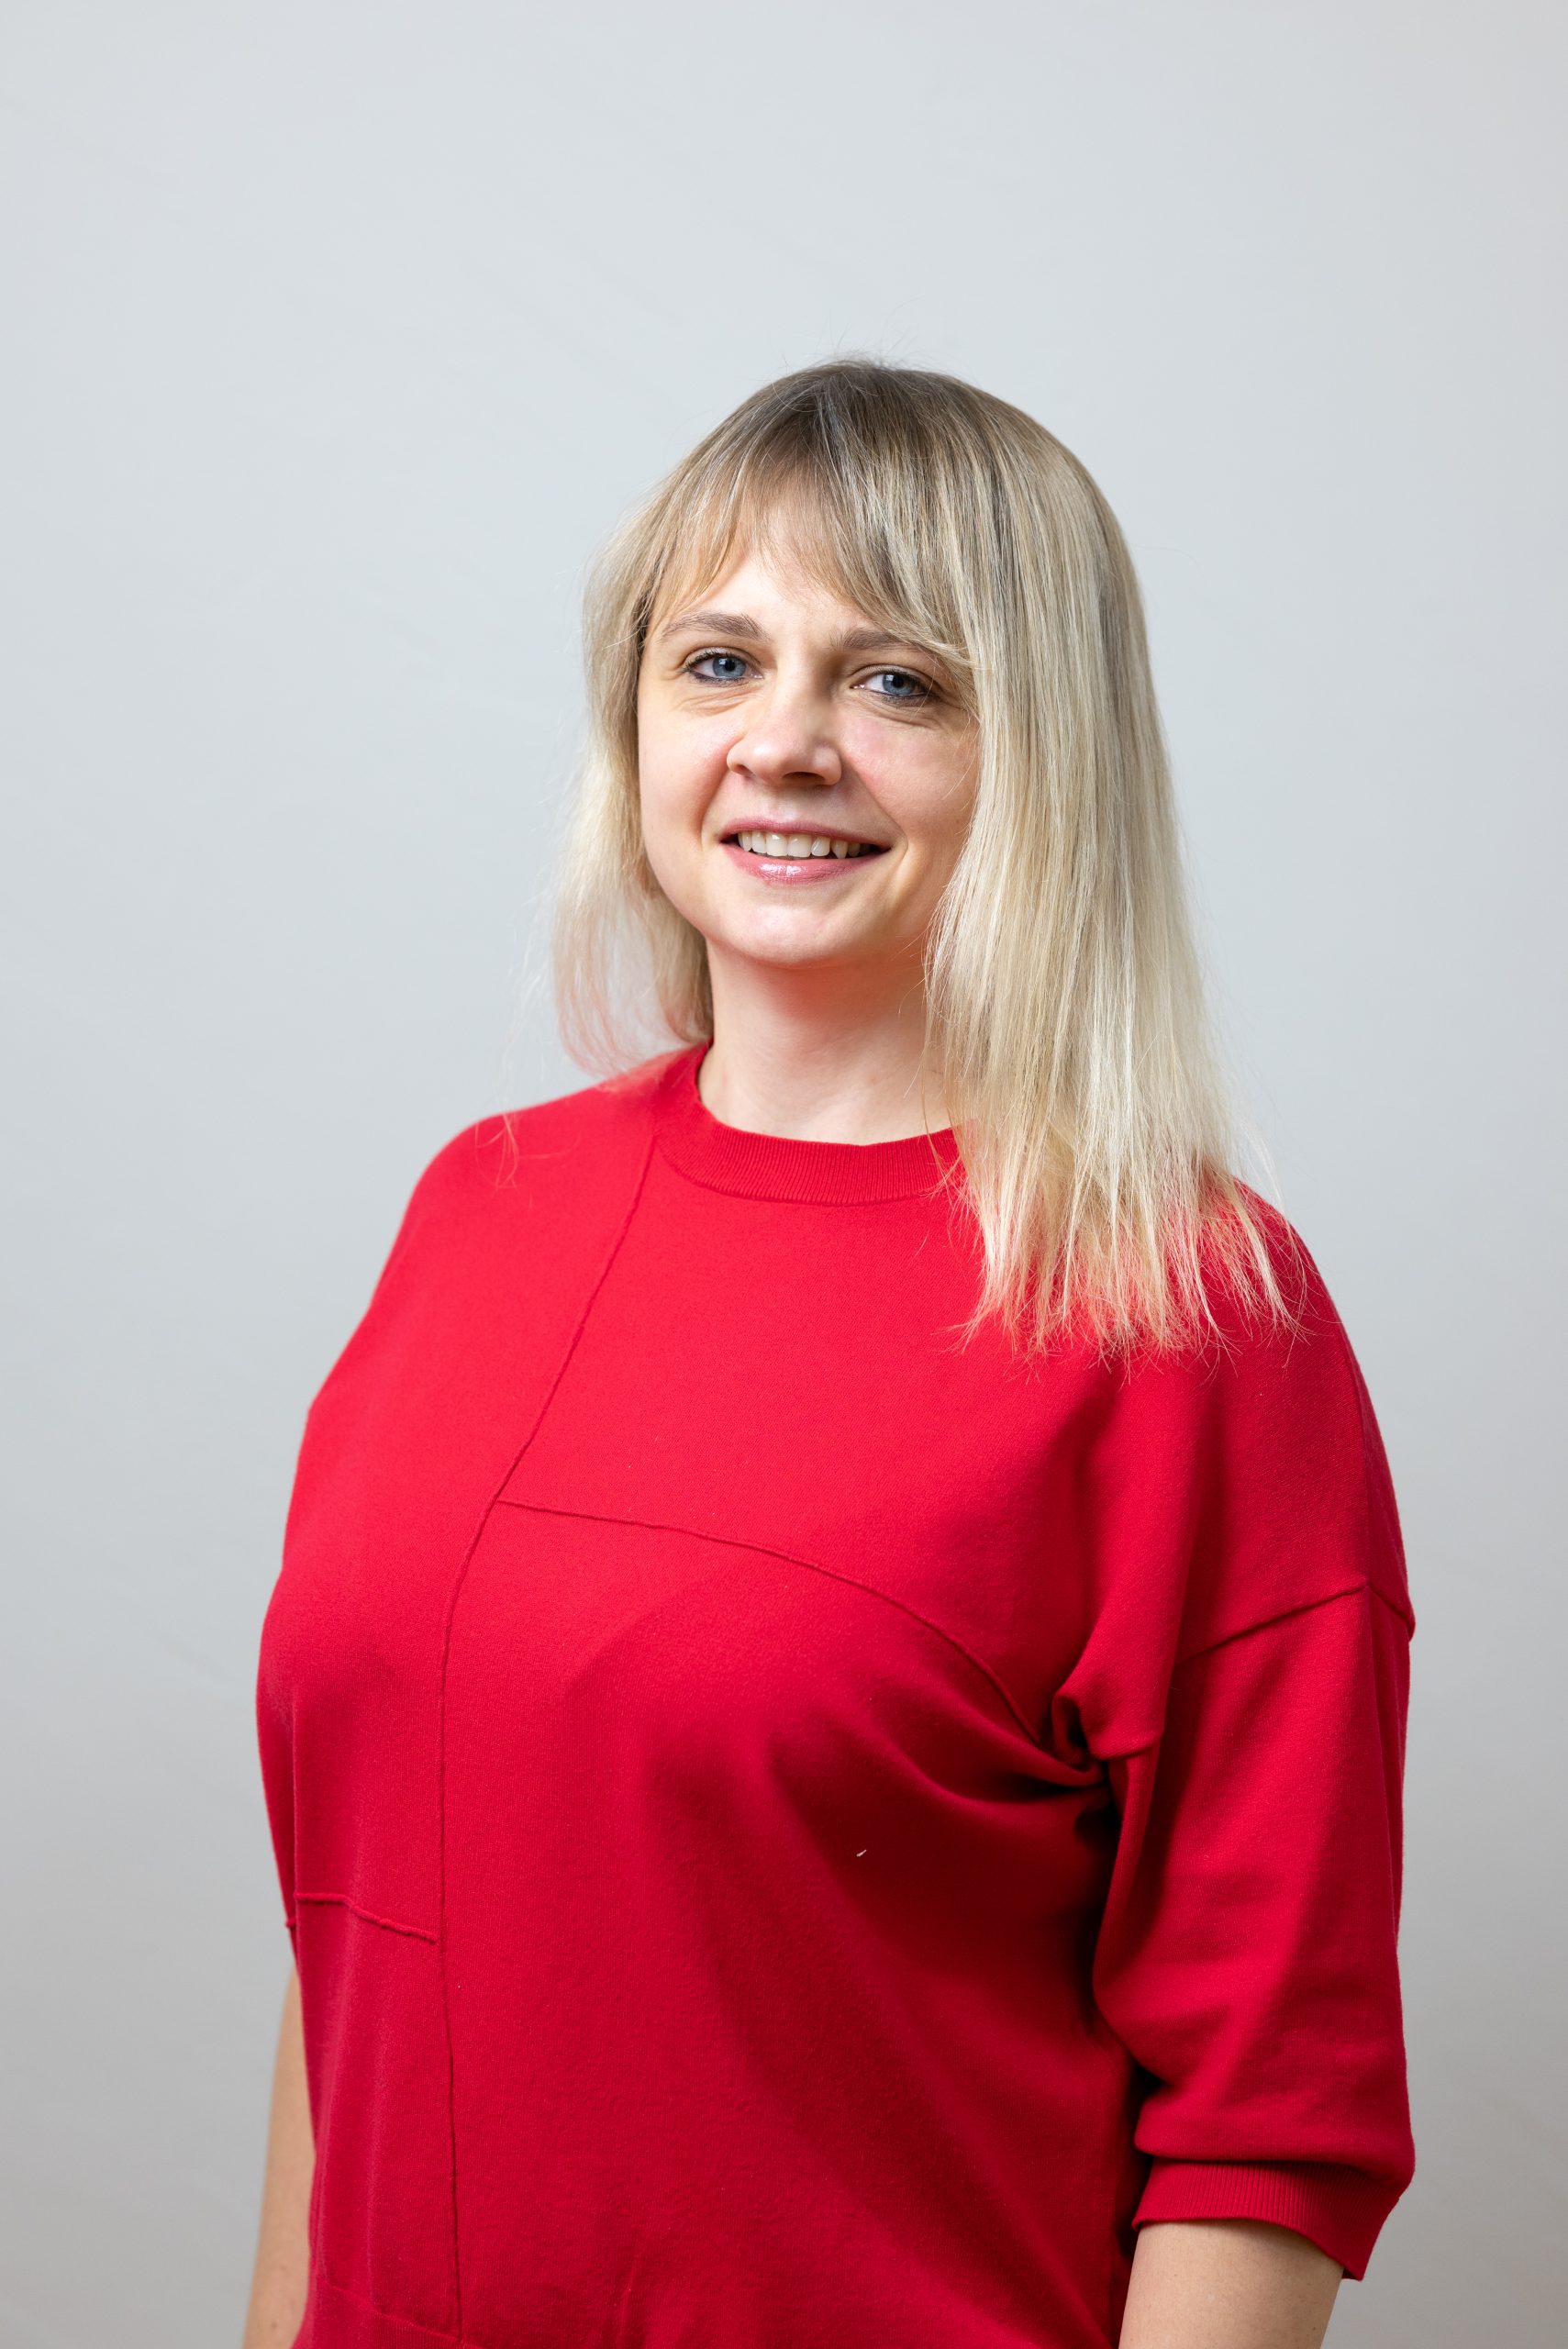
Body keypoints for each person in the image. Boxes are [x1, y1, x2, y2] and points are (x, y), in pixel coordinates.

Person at [244, 359, 1415, 2349]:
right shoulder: (478, 1212)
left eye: (897, 681)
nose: (784, 745)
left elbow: (1268, 2125)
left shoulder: (1188, 1314)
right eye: (719, 662)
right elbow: (357, 1927)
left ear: (1041, 753)